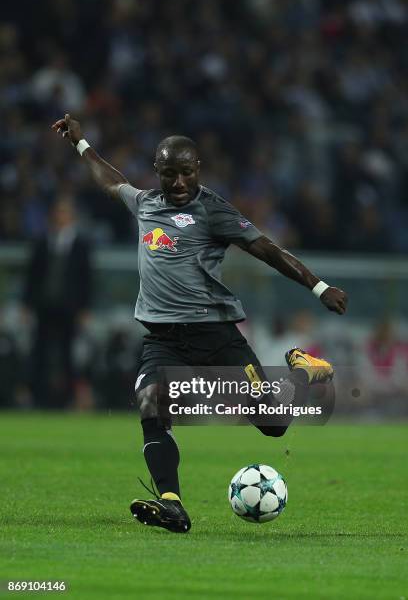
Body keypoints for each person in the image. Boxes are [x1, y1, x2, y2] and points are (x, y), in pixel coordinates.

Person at [52, 113, 347, 533]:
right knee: (151, 407)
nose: (177, 183)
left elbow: (265, 249)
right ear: (157, 172)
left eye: (186, 173)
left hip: (217, 337)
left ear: (198, 170)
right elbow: (109, 180)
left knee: (274, 426)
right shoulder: (145, 203)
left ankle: (302, 371)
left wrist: (319, 287)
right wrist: (81, 144)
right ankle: (171, 503)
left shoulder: (212, 210)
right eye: (169, 174)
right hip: (162, 338)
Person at [23, 195, 92, 408]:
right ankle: (39, 397)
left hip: (69, 308)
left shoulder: (81, 245)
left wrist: (85, 308)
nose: (61, 217)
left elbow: (86, 279)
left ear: (72, 217)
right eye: (58, 213)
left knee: (67, 354)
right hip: (44, 306)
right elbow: (32, 276)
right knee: (40, 351)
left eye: (65, 213)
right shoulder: (42, 242)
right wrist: (26, 304)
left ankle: (68, 399)